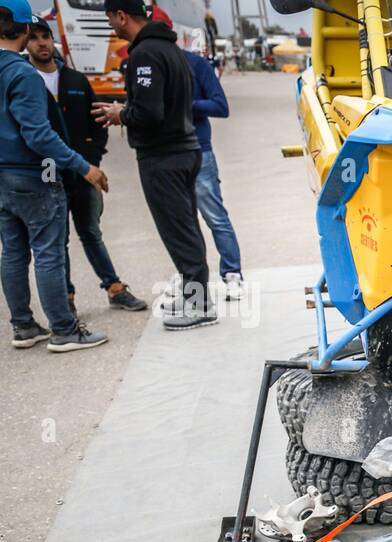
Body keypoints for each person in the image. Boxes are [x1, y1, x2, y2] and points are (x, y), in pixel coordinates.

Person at [92, 0, 214, 330]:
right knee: (186, 226)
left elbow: (149, 113)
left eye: (110, 19)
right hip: (185, 150)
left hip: (164, 156)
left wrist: (121, 113)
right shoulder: (170, 48)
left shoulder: (144, 55)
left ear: (120, 15)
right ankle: (196, 294)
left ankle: (199, 304)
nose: (110, 26)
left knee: (178, 230)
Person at [0, 0, 108, 351]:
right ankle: (64, 330)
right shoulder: (22, 74)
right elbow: (38, 135)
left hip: (2, 177)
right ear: (25, 29)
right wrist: (84, 166)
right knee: (48, 252)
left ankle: (24, 327)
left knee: (13, 252)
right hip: (34, 173)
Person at [25, 18, 147, 313]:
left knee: (91, 232)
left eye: (46, 37)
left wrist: (93, 158)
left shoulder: (76, 81)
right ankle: (66, 298)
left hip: (84, 170)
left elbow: (99, 122)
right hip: (49, 173)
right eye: (35, 38)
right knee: (57, 239)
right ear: (26, 43)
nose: (42, 43)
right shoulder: (26, 81)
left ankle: (115, 288)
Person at [183, 36, 244, 298]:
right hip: (164, 155)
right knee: (181, 223)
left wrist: (183, 105)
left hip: (198, 150)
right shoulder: (142, 63)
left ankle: (232, 274)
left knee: (215, 216)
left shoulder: (195, 64)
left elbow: (220, 106)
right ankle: (192, 282)